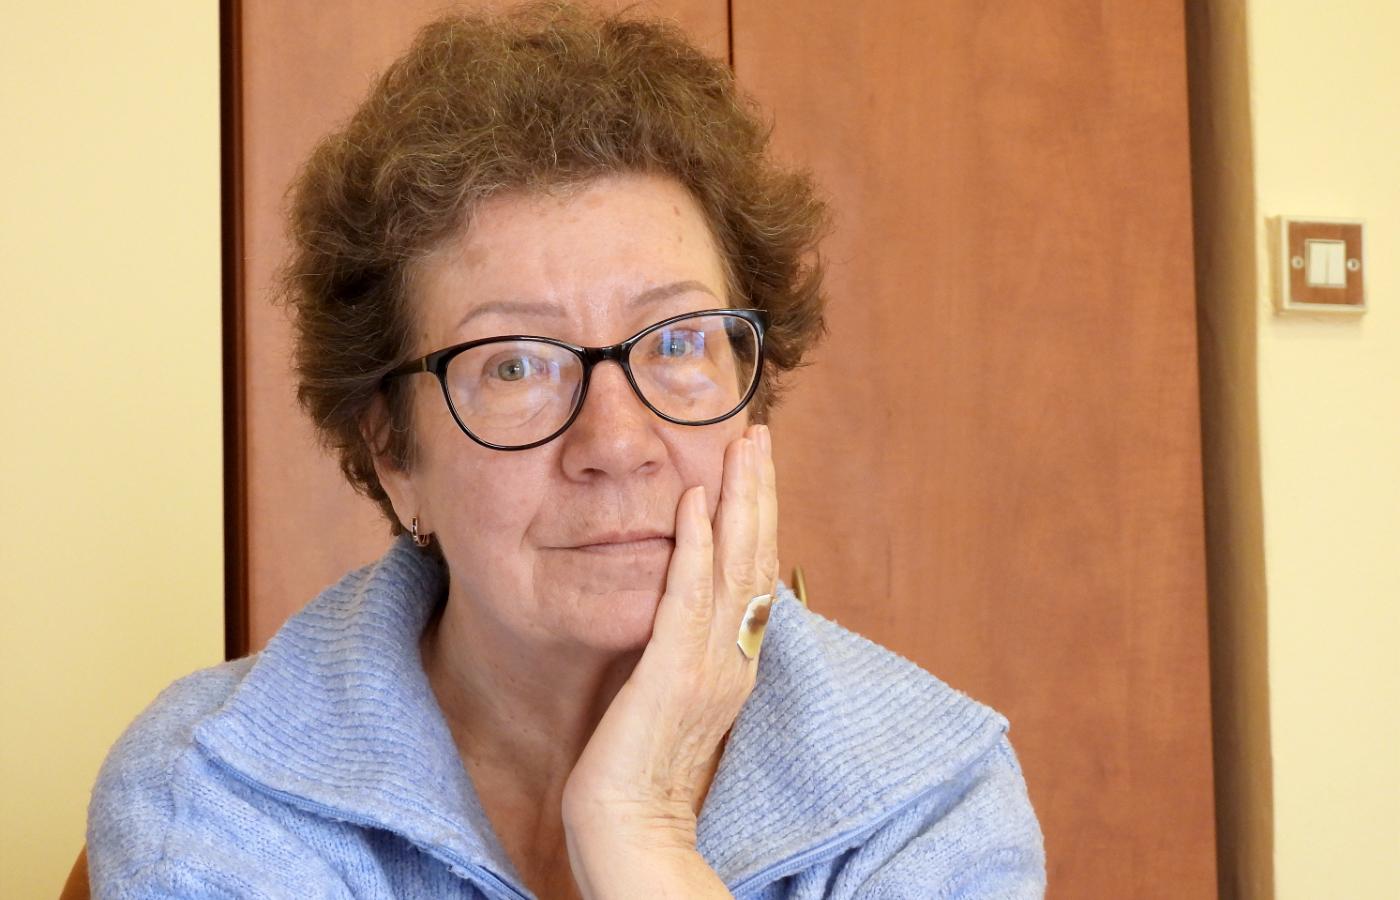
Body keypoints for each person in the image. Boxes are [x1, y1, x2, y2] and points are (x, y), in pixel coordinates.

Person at [85, 2, 1045, 897]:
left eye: (678, 344)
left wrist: (641, 832)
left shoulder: (932, 803)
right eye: (515, 366)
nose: (616, 443)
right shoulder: (210, 792)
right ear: (393, 455)